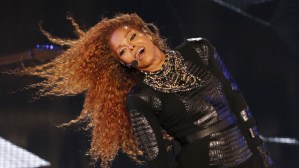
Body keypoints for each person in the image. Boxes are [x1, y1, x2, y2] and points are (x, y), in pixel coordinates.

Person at [18, 13, 273, 168]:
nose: (131, 48)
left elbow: (237, 103)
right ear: (124, 63)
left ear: (146, 33)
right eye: (123, 51)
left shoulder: (200, 50)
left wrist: (262, 157)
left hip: (248, 158)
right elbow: (157, 160)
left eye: (131, 38)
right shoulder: (141, 98)